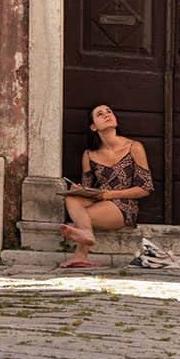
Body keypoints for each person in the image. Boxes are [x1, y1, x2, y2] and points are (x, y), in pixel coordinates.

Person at [59, 104, 154, 269]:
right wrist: (79, 189)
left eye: (109, 111)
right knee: (72, 197)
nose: (106, 115)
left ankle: (81, 251)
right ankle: (85, 239)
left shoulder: (134, 147)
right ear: (93, 126)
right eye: (100, 114)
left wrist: (108, 195)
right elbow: (87, 187)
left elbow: (145, 188)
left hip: (124, 205)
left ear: (116, 120)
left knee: (83, 217)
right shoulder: (89, 154)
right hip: (99, 199)